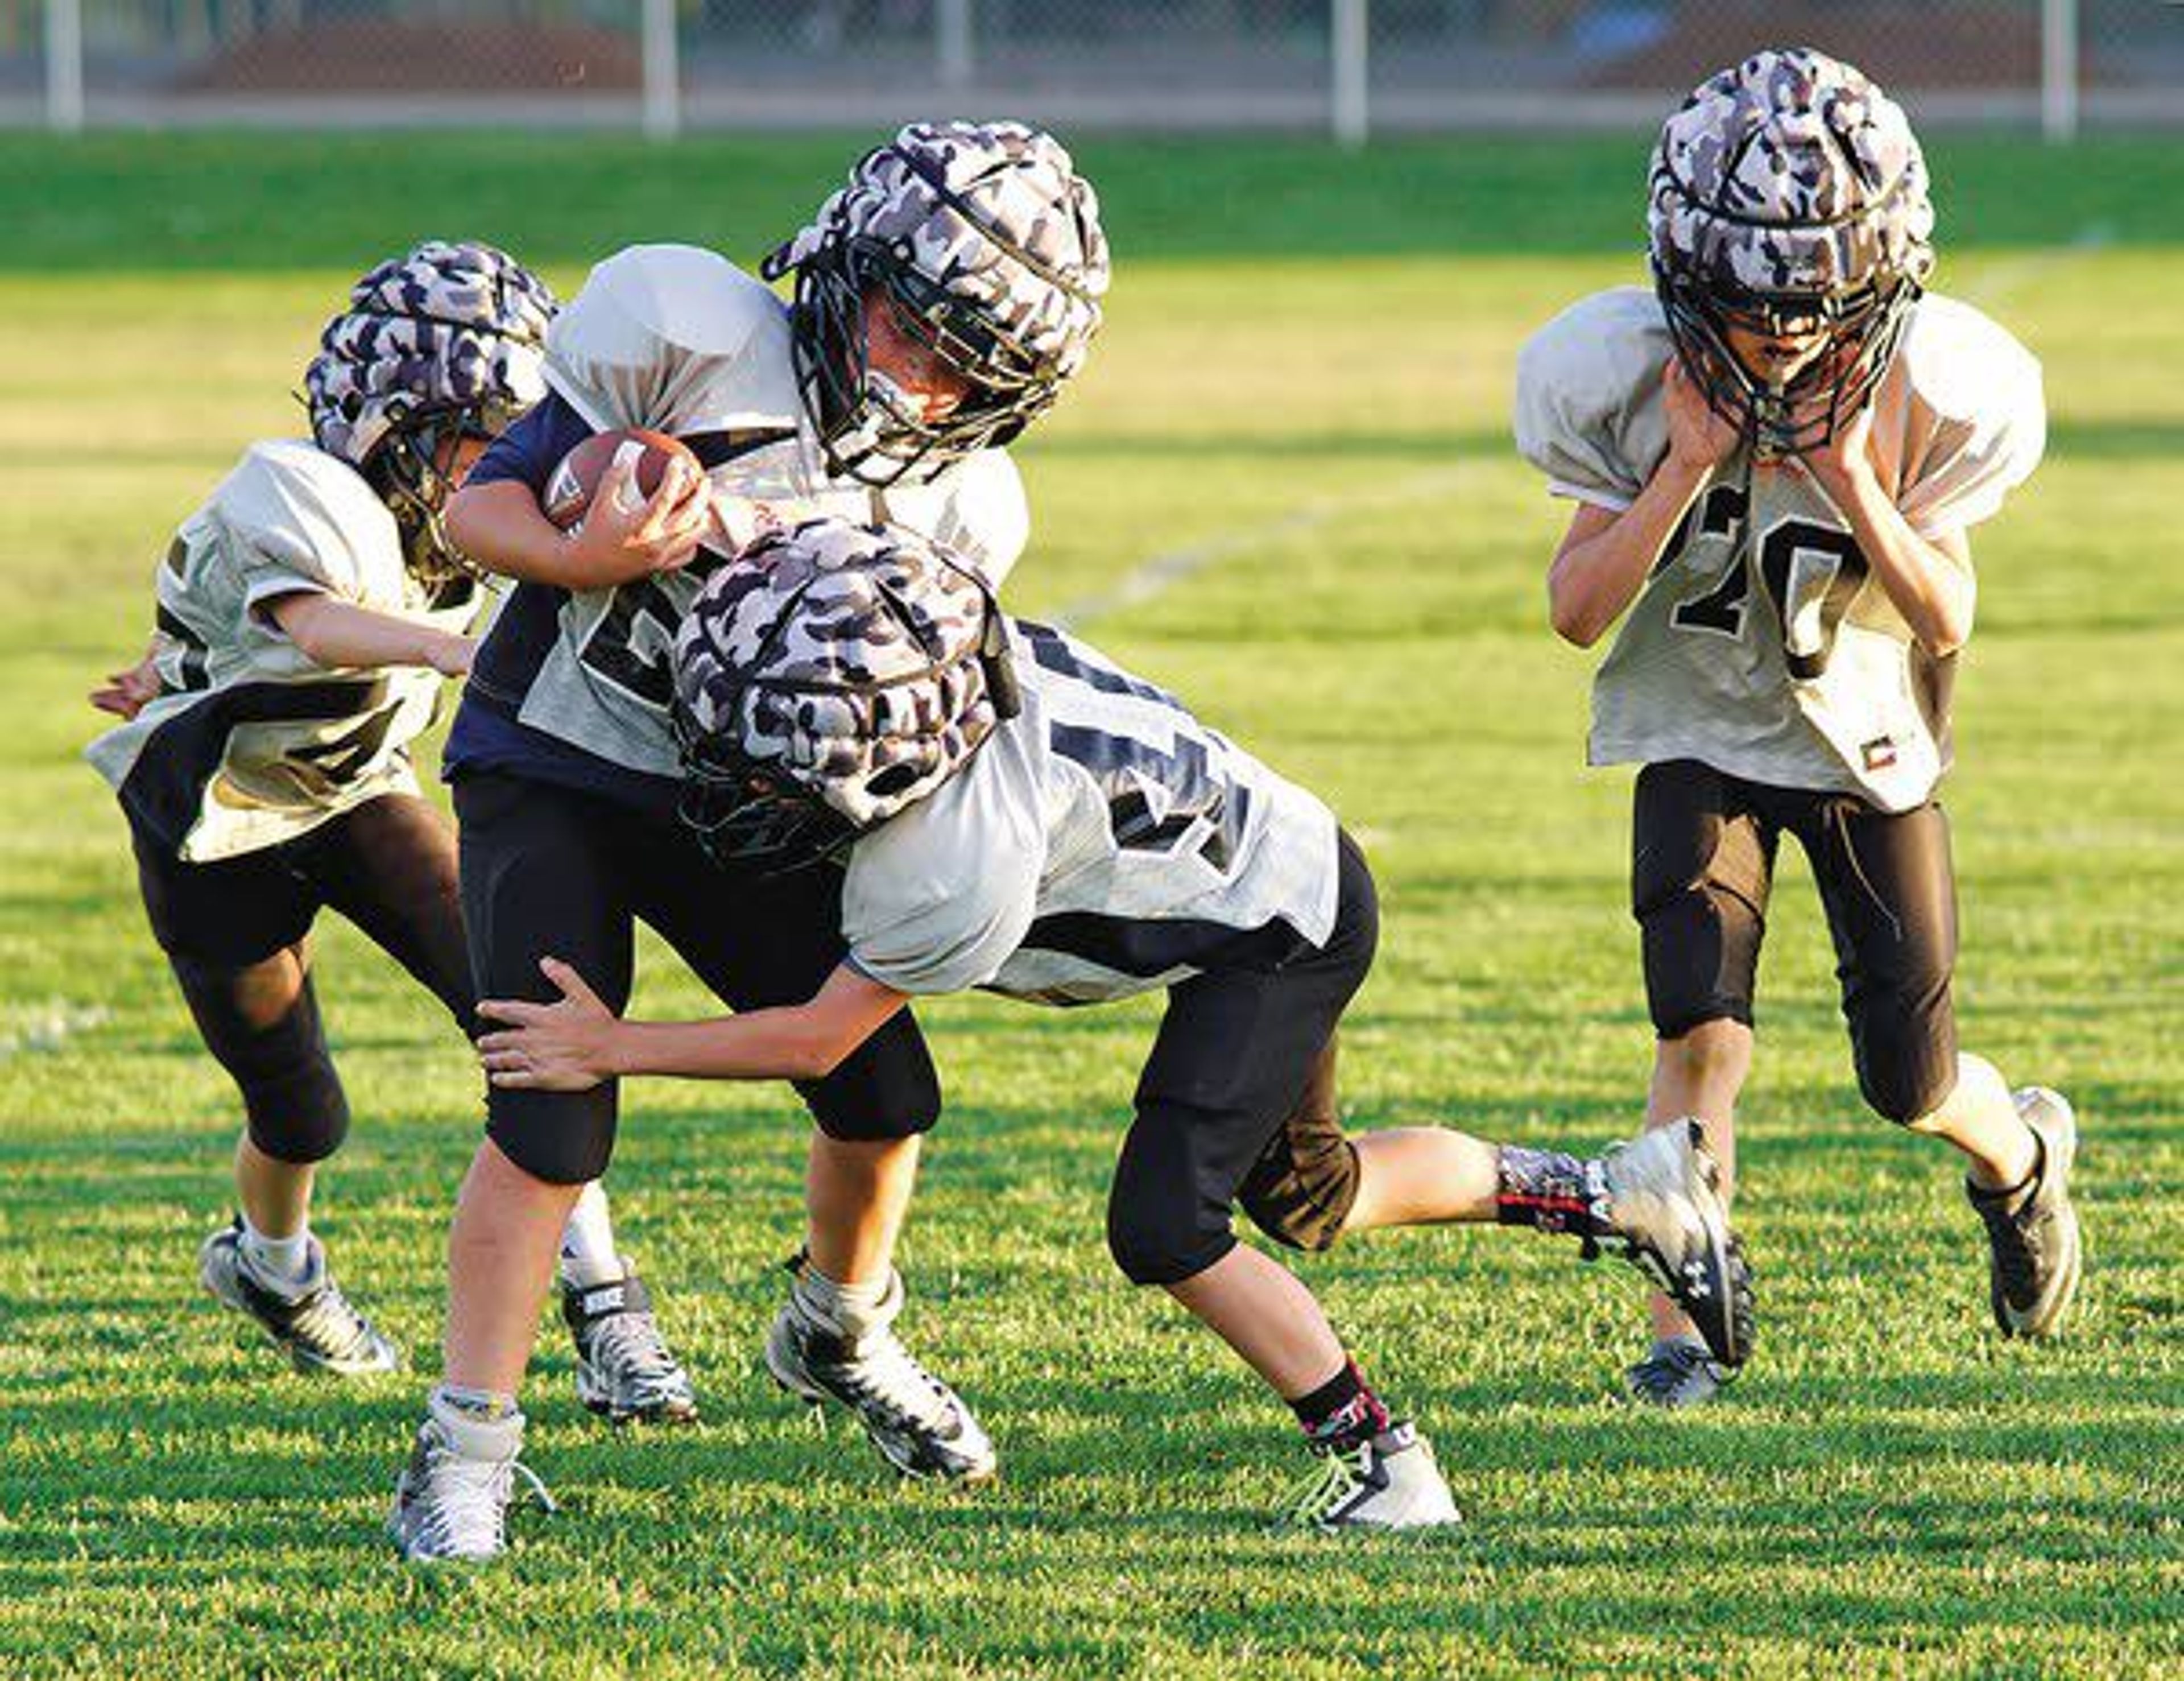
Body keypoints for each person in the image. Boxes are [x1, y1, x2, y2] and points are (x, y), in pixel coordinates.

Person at [468, 516, 1752, 1533]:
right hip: (1282, 870)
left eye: (774, 763)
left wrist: (614, 1045)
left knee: (1165, 1224)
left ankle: (1383, 1457)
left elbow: (817, 1038)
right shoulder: (915, 640)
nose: (740, 778)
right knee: (1311, 1194)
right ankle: (1616, 1195)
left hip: (1276, 930)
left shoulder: (948, 856)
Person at [386, 122, 1111, 1562]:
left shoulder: (967, 502)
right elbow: (478, 509)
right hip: (565, 754)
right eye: (915, 329)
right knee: (551, 1103)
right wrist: (588, 553)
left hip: (742, 804)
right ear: (850, 269)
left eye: (973, 367)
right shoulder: (695, 333)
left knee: (884, 1088)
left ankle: (842, 1330)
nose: (926, 381)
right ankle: (463, 1447)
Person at [1513, 48, 2079, 1409]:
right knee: (1698, 1031)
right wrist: (1685, 466)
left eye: (1813, 310)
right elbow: (1578, 610)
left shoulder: (1934, 388)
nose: (1781, 339)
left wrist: (1849, 479)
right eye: (1751, 309)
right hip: (1698, 728)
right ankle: (1684, 1326)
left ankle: (2021, 1158)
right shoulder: (1631, 377)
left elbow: (1943, 615)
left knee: (1912, 1076)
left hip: (1861, 745)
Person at [84, 242, 682, 1410]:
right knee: (300, 1106)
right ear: (387, 423)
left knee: (521, 1008)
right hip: (216, 822)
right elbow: (314, 624)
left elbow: (215, 631)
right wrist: (460, 649)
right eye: (475, 436)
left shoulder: (453, 519)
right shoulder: (298, 488)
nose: (498, 463)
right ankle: (272, 1265)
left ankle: (604, 1300)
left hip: (358, 793)